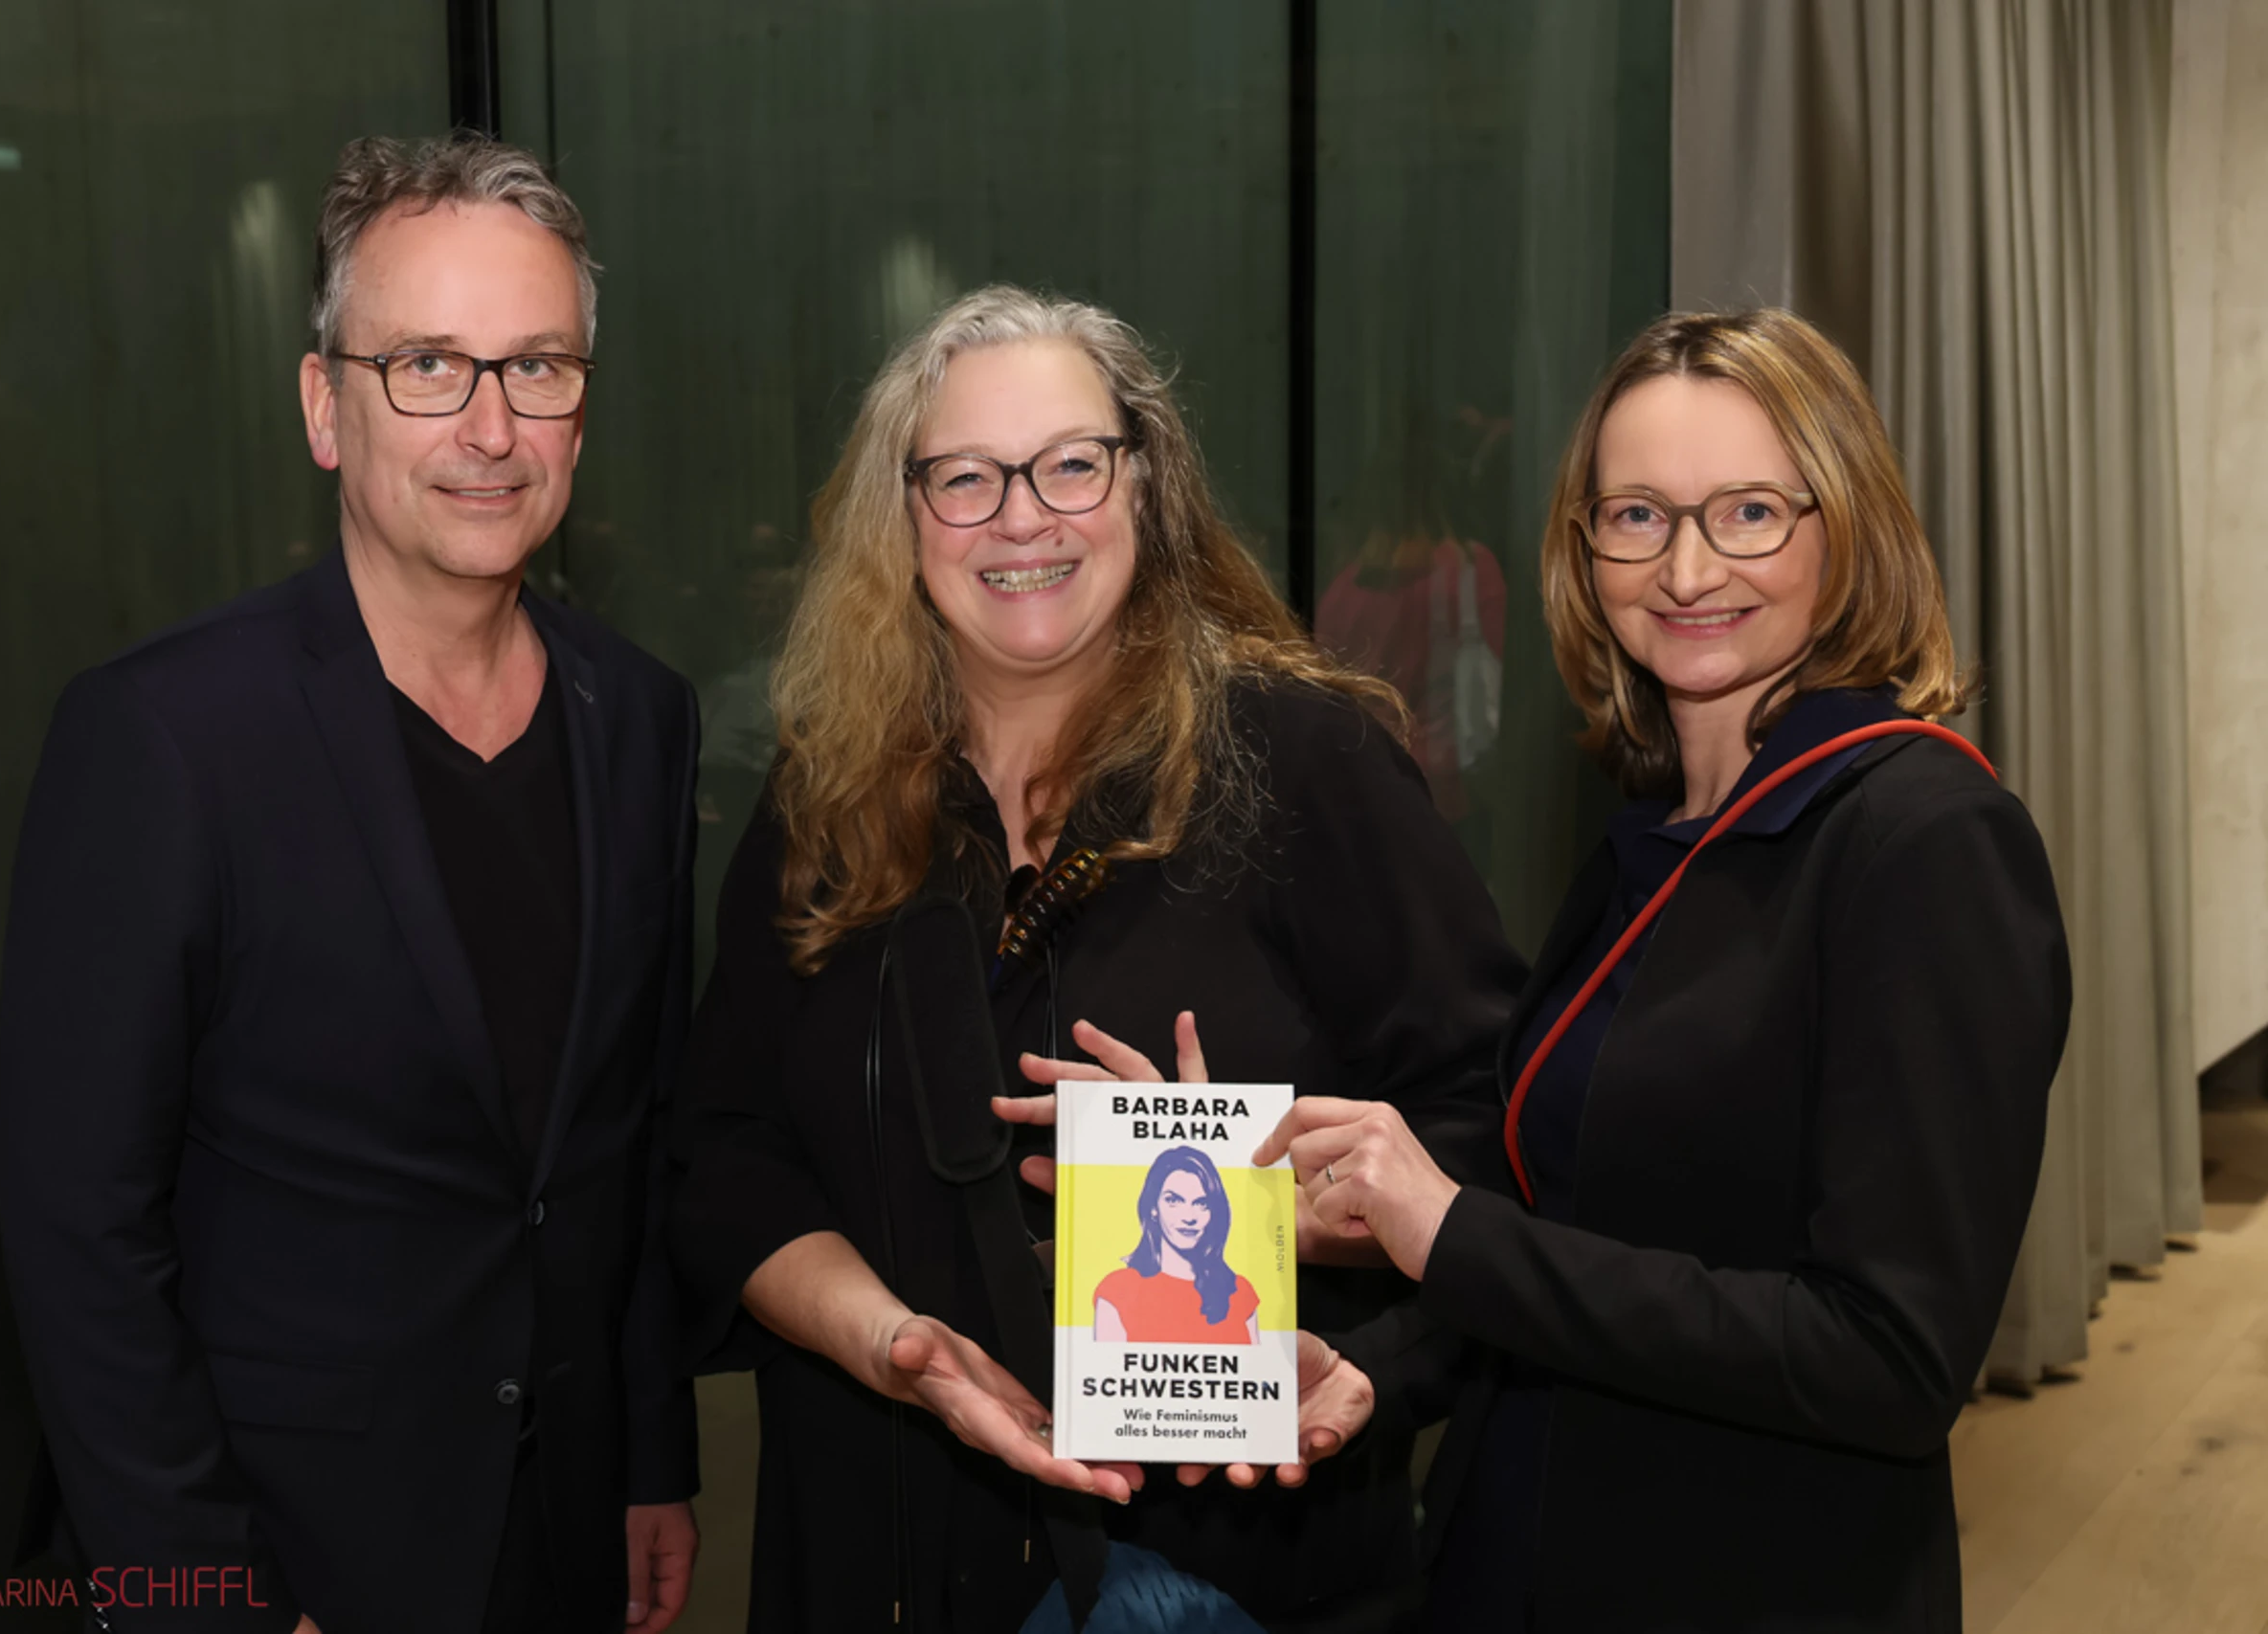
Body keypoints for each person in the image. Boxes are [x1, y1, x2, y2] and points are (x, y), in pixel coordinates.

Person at [668, 284, 1524, 1633]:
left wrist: (1311, 1253)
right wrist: (892, 1345)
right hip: (879, 1551)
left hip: (1228, 1566)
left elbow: (1495, 1128)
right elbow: (725, 1150)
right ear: (903, 515)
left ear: (1146, 483)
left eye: (1070, 463)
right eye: (966, 477)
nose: (1022, 517)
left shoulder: (1307, 765)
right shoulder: (825, 797)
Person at [1244, 307, 2072, 1632]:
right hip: (1520, 1553)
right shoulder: (1657, 832)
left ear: (1846, 528)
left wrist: (1449, 1227)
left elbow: (1890, 1360)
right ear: (1585, 547)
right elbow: (1580, 1233)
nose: (1686, 569)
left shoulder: (1926, 840)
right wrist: (1374, 1367)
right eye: (1635, 516)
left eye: (1748, 512)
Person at [0, 135, 700, 1634]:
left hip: (566, 1515)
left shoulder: (639, 715)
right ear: (326, 407)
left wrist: (652, 1446)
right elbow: (80, 1234)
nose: (491, 427)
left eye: (537, 367)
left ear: (582, 408)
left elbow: (625, 1138)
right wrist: (211, 1596)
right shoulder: (164, 738)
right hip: (293, 1540)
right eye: (428, 365)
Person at [1093, 1147, 1258, 1345]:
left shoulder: (1238, 1291)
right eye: (1173, 1200)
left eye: (1201, 1203)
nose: (1189, 1217)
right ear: (1153, 1208)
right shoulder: (1118, 1290)